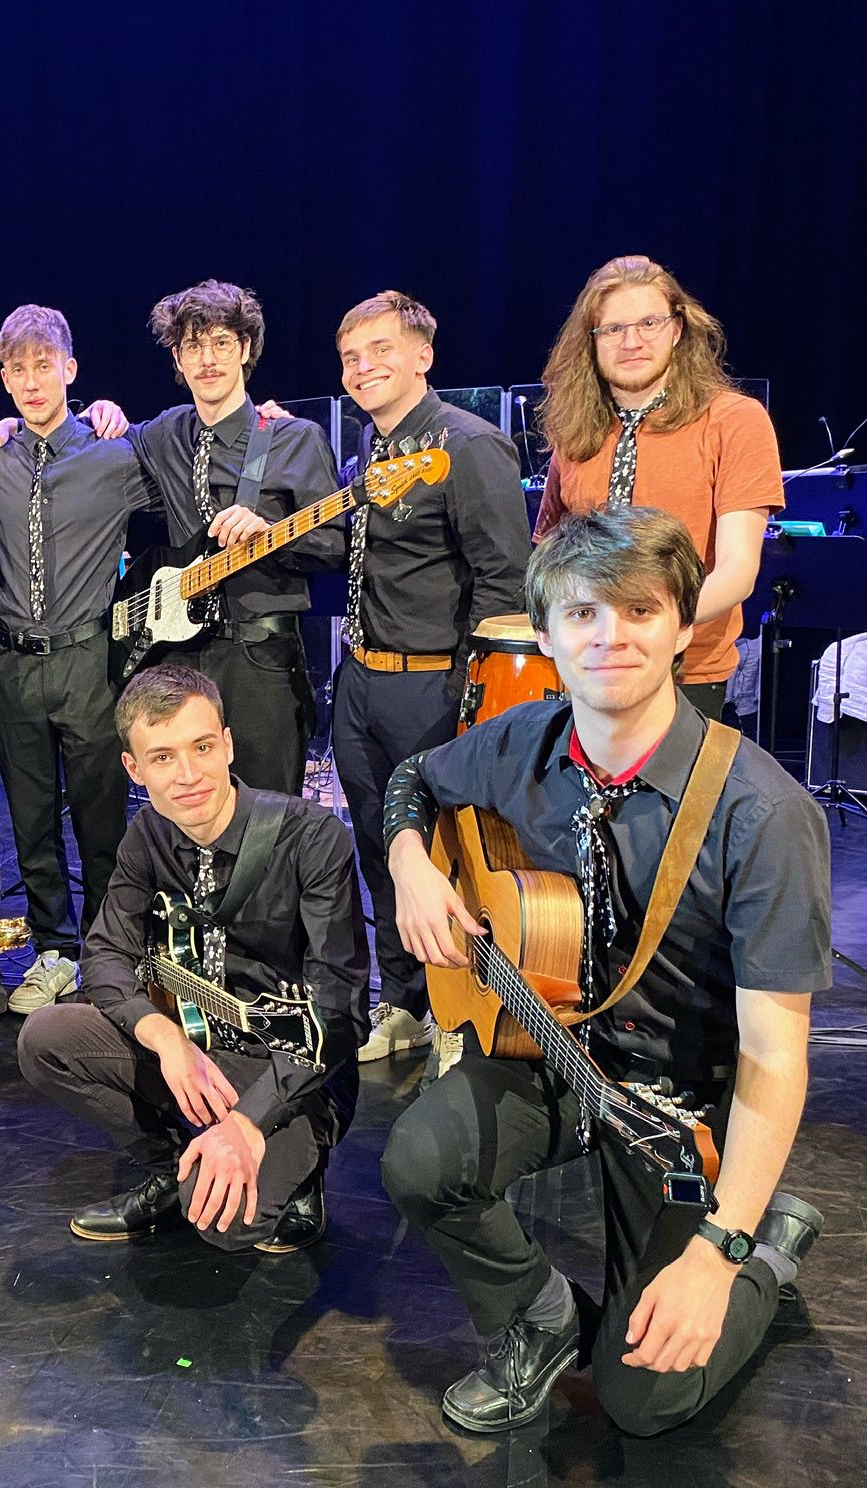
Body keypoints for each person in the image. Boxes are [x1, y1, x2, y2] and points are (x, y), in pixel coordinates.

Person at [378, 505, 828, 1436]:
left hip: (679, 1102)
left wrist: (720, 1248)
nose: (609, 636)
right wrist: (410, 862)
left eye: (639, 610)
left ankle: (769, 1249)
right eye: (582, 613)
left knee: (644, 1400)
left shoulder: (764, 814)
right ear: (543, 636)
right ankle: (542, 1319)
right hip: (555, 1055)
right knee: (420, 1161)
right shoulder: (526, 740)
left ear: (684, 627)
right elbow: (413, 779)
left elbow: (774, 1058)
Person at [18, 664, 364, 1253]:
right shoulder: (147, 836)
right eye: (162, 757)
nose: (188, 775)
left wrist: (250, 1120)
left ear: (227, 745)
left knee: (223, 1225)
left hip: (294, 1072)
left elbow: (340, 1012)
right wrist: (166, 1039)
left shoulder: (311, 837)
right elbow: (104, 952)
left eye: (202, 747)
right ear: (134, 768)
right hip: (198, 1047)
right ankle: (171, 1167)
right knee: (44, 1038)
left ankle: (299, 1170)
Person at [0, 280, 340, 796]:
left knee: (266, 815)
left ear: (246, 348)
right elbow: (67, 437)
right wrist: (11, 426)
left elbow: (335, 546)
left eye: (221, 343)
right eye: (193, 346)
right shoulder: (166, 432)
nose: (207, 359)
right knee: (184, 809)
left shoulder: (292, 437)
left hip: (261, 661)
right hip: (177, 658)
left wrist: (270, 534)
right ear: (177, 358)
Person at [327, 292, 531, 1068]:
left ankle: (460, 1015)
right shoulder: (370, 449)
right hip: (362, 682)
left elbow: (504, 583)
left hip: (435, 688)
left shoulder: (469, 445)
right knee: (384, 851)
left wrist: (472, 698)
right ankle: (407, 1003)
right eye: (351, 357)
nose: (363, 367)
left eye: (381, 349)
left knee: (448, 855)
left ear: (423, 356)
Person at [0, 304, 160, 1015]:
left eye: (43, 365)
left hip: (88, 662)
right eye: (16, 369)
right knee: (31, 819)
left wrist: (266, 422)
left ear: (70, 369)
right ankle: (55, 950)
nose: (31, 380)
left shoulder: (116, 454)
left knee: (102, 819)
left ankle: (109, 951)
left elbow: (188, 470)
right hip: (13, 664)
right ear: (4, 378)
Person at [534, 256, 784, 720]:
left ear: (677, 329)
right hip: (586, 670)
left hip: (687, 672)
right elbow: (550, 559)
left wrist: (645, 629)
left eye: (649, 323)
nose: (632, 342)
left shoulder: (734, 420)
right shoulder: (575, 428)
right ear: (591, 341)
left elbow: (738, 569)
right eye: (613, 329)